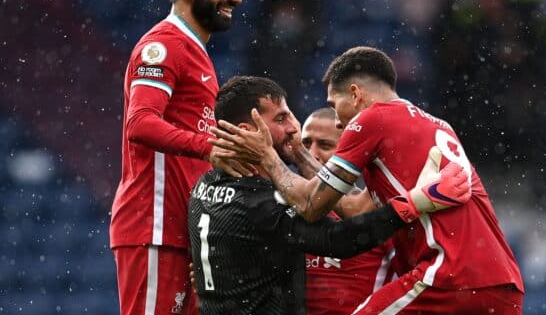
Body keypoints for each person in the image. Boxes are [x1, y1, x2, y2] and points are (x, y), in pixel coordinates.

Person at [210, 46, 525, 314]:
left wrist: (268, 156)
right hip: (502, 283)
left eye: (335, 106)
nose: (337, 120)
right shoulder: (434, 125)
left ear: (355, 94)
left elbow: (310, 206)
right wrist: (298, 156)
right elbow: (359, 211)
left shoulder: (372, 119)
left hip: (448, 276)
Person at [188, 75, 468, 315]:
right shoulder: (268, 201)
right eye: (281, 119)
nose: (293, 130)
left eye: (324, 145)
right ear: (250, 131)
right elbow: (337, 238)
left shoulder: (205, 185)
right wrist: (416, 201)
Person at [109, 0, 246, 315]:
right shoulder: (164, 45)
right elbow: (140, 122)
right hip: (153, 226)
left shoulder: (197, 53)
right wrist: (210, 148)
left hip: (184, 231)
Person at [301, 108, 396, 315]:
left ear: (348, 152)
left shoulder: (381, 213)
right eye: (306, 144)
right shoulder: (284, 210)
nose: (311, 155)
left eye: (324, 145)